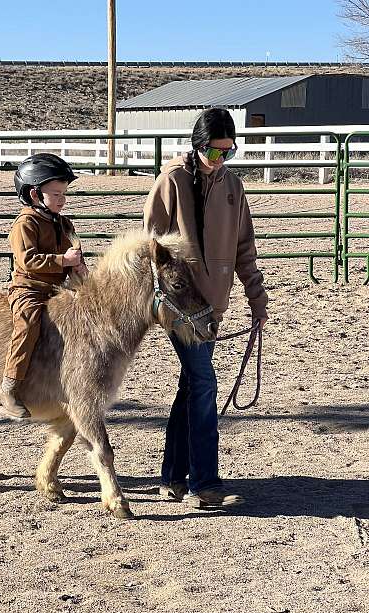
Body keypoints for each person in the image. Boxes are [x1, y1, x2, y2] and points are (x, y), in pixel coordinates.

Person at [143, 107, 268, 509]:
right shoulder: (173, 181)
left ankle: (172, 477)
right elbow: (151, 245)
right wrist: (172, 292)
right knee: (205, 383)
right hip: (181, 307)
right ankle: (203, 482)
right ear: (198, 147)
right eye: (214, 153)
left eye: (227, 153)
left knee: (191, 386)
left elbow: (244, 246)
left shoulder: (233, 187)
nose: (220, 161)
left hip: (213, 306)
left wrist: (256, 297)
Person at [0, 153, 88, 419]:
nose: (63, 199)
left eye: (64, 193)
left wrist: (79, 267)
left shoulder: (64, 223)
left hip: (58, 289)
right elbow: (28, 260)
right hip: (29, 288)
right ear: (35, 195)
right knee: (28, 323)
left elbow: (75, 251)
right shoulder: (25, 224)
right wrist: (64, 260)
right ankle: (10, 385)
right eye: (57, 194)